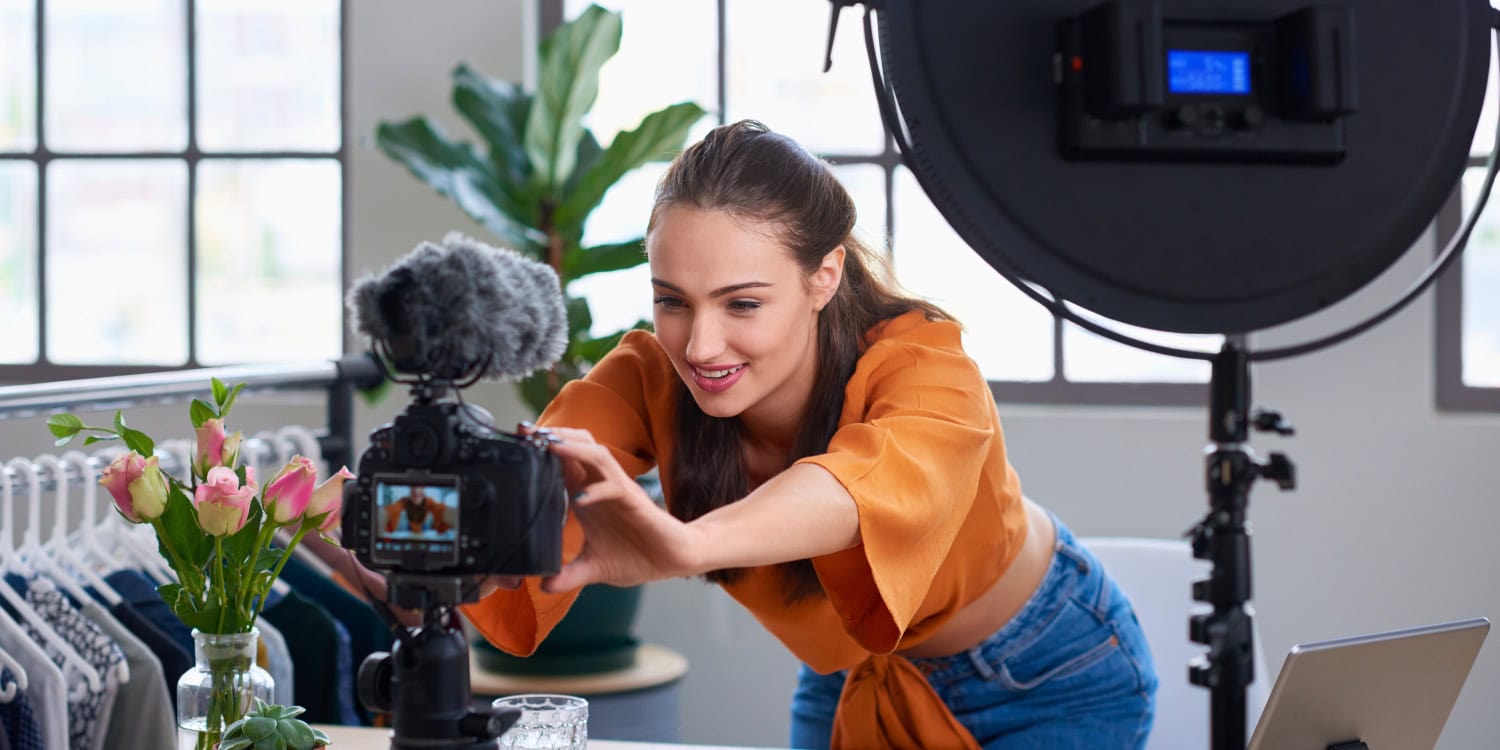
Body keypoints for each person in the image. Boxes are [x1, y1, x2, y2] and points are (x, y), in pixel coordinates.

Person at [461, 120, 1158, 749]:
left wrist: (686, 543)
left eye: (743, 303)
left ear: (823, 276)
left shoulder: (928, 367)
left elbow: (862, 488)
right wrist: (375, 534)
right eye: (671, 300)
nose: (700, 345)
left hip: (1044, 670)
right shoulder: (648, 374)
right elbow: (527, 480)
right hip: (855, 673)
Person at [382, 486, 452, 535]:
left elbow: (442, 511)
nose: (416, 490)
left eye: (420, 487)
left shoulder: (430, 504)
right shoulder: (402, 503)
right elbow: (387, 512)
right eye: (413, 487)